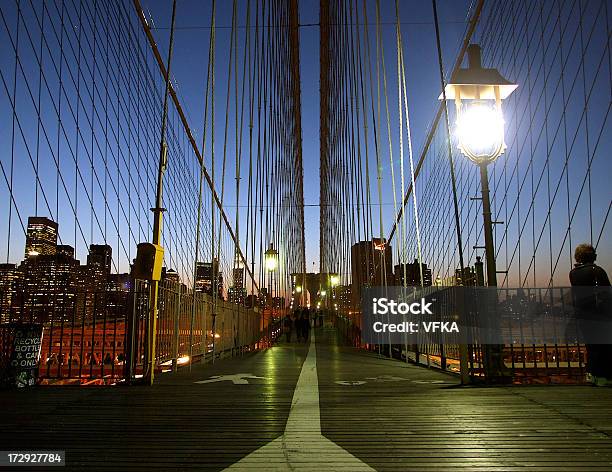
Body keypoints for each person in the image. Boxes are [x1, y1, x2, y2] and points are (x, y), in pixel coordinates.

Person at [569, 243, 611, 386]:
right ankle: (602, 376)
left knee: (591, 345)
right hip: (599, 314)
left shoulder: (573, 273)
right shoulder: (597, 270)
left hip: (582, 313)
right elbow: (606, 293)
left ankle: (591, 374)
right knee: (603, 345)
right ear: (593, 256)